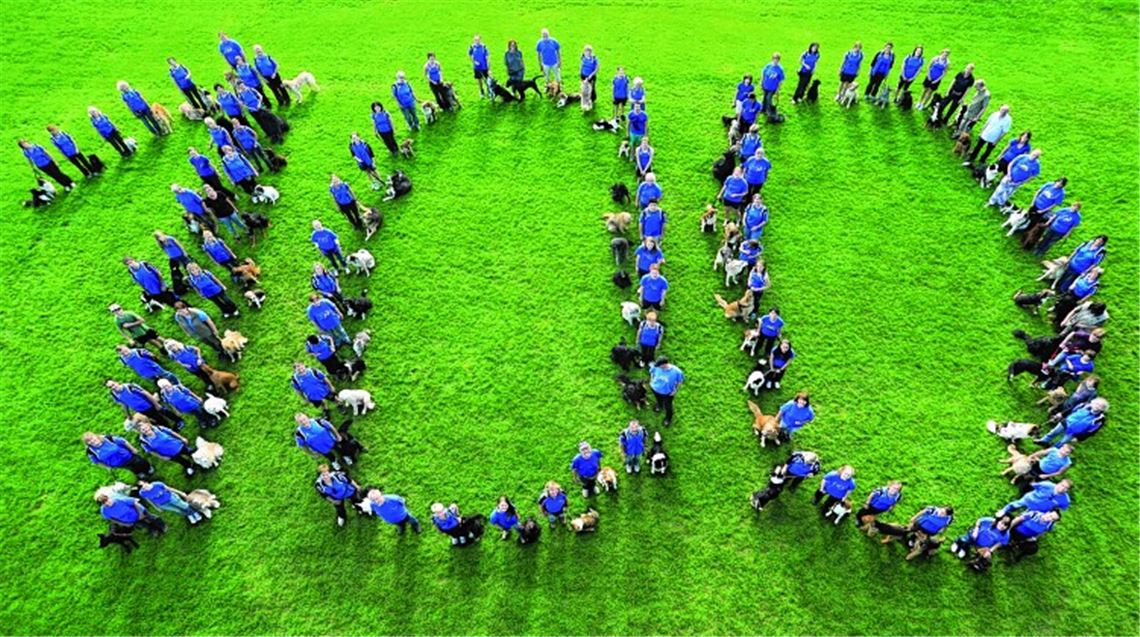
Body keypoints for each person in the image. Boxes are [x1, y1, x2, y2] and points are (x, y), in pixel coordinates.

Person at [295, 412, 361, 469]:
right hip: (320, 448)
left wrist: (337, 435)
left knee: (340, 449)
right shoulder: (299, 433)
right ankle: (334, 462)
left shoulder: (318, 421)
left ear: (307, 417)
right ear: (298, 423)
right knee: (329, 456)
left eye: (304, 419)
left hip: (331, 441)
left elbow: (331, 427)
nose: (303, 422)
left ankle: (345, 456)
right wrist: (311, 454)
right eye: (300, 421)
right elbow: (303, 445)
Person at [1036, 398, 1108, 447]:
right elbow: (1071, 409)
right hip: (1066, 422)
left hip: (1074, 432)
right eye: (1096, 404)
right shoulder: (1083, 405)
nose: (1097, 406)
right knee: (1053, 432)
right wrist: (1061, 414)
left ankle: (1052, 449)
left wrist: (1079, 438)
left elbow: (1091, 432)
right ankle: (1043, 441)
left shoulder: (1100, 419)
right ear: (1093, 402)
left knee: (1062, 442)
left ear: (1103, 409)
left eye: (1100, 406)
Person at [1020, 178, 1069, 248]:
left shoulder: (1061, 194)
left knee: (1033, 222)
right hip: (1035, 204)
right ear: (1056, 181)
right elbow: (1038, 191)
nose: (1059, 185)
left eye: (1061, 184)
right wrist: (1032, 202)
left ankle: (1026, 236)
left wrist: (1043, 211)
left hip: (1042, 209)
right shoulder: (1049, 184)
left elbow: (1054, 204)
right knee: (1027, 217)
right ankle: (1021, 227)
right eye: (1058, 182)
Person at [96, 488, 163, 538]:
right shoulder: (104, 510)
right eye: (104, 503)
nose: (108, 503)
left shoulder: (120, 500)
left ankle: (162, 526)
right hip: (131, 521)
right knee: (144, 525)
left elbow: (135, 503)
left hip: (140, 512)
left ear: (109, 498)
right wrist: (123, 523)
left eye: (107, 500)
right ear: (103, 504)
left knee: (152, 518)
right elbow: (111, 518)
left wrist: (140, 514)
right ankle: (154, 530)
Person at [84, 431, 154, 478]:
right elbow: (96, 461)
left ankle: (148, 468)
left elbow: (123, 441)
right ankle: (139, 473)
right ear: (88, 443)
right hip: (118, 464)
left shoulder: (108, 439)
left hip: (128, 456)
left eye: (92, 438)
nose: (92, 441)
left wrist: (132, 449)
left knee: (140, 462)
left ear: (96, 436)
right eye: (89, 441)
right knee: (131, 468)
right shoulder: (90, 451)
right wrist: (107, 467)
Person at [997, 480, 1072, 519]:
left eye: (1065, 488)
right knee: (1016, 504)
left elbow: (1061, 508)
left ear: (1067, 490)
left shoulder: (1066, 500)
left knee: (1025, 516)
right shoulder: (1047, 485)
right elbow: (1035, 485)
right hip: (1030, 499)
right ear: (1059, 483)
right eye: (1062, 485)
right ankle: (1004, 510)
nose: (1062, 488)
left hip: (1039, 510)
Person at [648, 357, 684, 427]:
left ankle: (668, 418)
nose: (658, 368)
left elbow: (680, 381)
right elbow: (652, 372)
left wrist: (675, 390)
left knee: (668, 406)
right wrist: (651, 380)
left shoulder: (677, 372)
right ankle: (659, 405)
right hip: (655, 389)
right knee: (658, 400)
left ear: (664, 364)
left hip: (667, 393)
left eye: (660, 366)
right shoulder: (657, 367)